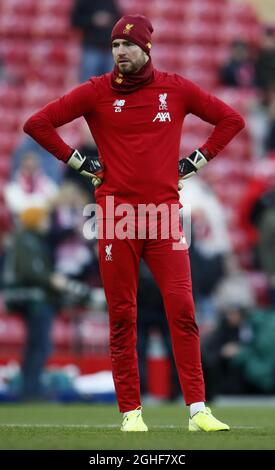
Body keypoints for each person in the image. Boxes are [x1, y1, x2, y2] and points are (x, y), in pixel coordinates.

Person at [23, 14, 245, 431]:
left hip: (164, 217)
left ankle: (198, 409)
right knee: (122, 315)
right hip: (115, 217)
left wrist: (196, 160)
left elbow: (232, 119)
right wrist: (78, 160)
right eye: (114, 47)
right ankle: (131, 413)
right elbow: (36, 123)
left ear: (147, 48)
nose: (120, 52)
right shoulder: (96, 92)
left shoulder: (175, 89)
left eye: (127, 46)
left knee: (183, 308)